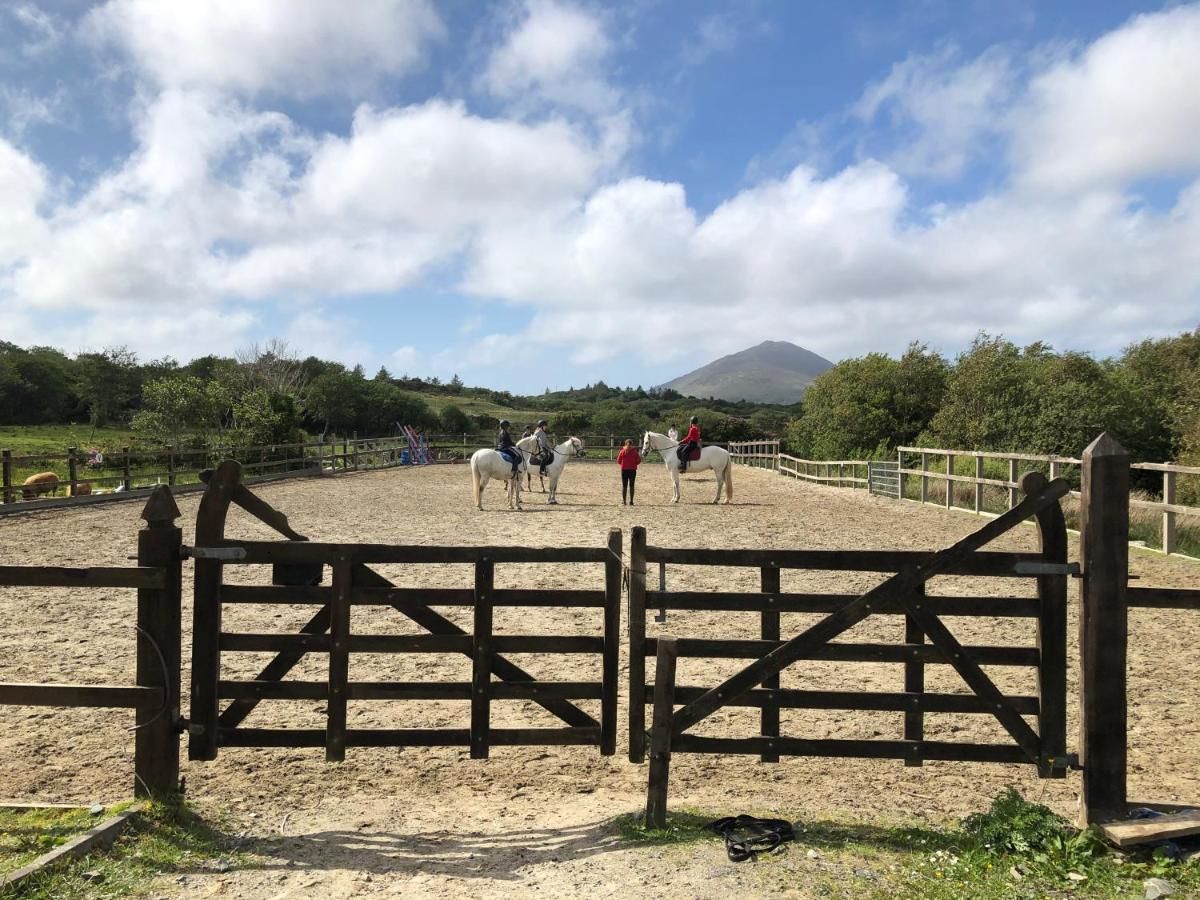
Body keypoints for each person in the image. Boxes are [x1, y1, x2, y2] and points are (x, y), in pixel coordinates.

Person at [617, 438, 641, 505]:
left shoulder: (622, 451)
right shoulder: (634, 451)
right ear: (632, 444)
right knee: (632, 485)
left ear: (625, 443)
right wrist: (634, 464)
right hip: (632, 470)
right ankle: (631, 501)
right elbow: (639, 461)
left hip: (624, 470)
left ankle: (624, 501)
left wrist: (623, 464)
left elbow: (618, 461)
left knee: (624, 486)